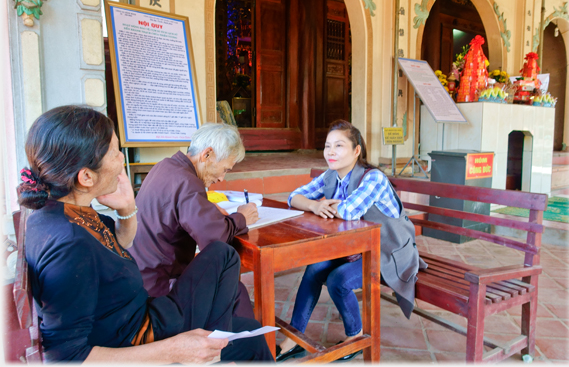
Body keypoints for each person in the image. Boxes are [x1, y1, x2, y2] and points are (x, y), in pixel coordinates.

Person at [19, 105, 272, 363]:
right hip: (140, 335)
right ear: (86, 176)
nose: (121, 159)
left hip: (136, 310)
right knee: (250, 338)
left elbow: (116, 243)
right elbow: (65, 358)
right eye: (115, 152)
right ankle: (211, 352)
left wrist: (128, 210)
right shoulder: (68, 246)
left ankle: (215, 342)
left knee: (223, 256)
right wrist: (176, 349)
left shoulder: (64, 212)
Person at [275, 119, 428, 362]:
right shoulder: (330, 175)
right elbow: (294, 197)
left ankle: (355, 337)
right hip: (355, 248)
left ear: (357, 151)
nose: (331, 152)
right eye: (327, 146)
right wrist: (316, 204)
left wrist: (328, 205)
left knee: (339, 280)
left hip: (388, 253)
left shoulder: (374, 178)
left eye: (339, 146)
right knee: (314, 267)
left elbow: (349, 212)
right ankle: (294, 339)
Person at [128, 122, 258, 319]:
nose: (222, 178)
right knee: (233, 289)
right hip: (159, 287)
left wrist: (207, 209)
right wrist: (241, 218)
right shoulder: (188, 182)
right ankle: (248, 345)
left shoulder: (166, 166)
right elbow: (215, 242)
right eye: (225, 169)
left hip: (139, 275)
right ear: (207, 155)